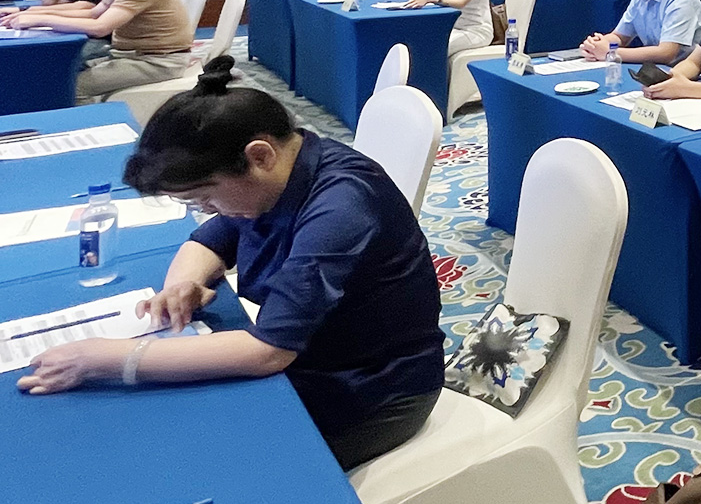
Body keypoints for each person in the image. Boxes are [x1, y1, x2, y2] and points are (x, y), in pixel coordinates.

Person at [17, 59, 445, 469]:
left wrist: (107, 358)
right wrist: (181, 284)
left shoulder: (341, 207)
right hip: (316, 355)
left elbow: (268, 352)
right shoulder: (281, 172)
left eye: (205, 196)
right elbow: (213, 239)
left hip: (372, 388)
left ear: (260, 156)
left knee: (184, 452)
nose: (207, 208)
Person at [5, 0, 194, 98]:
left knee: (71, 88)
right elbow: (94, 12)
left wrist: (40, 20)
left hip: (157, 62)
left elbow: (99, 27)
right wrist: (32, 14)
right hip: (134, 55)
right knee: (60, 71)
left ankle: (86, 126)